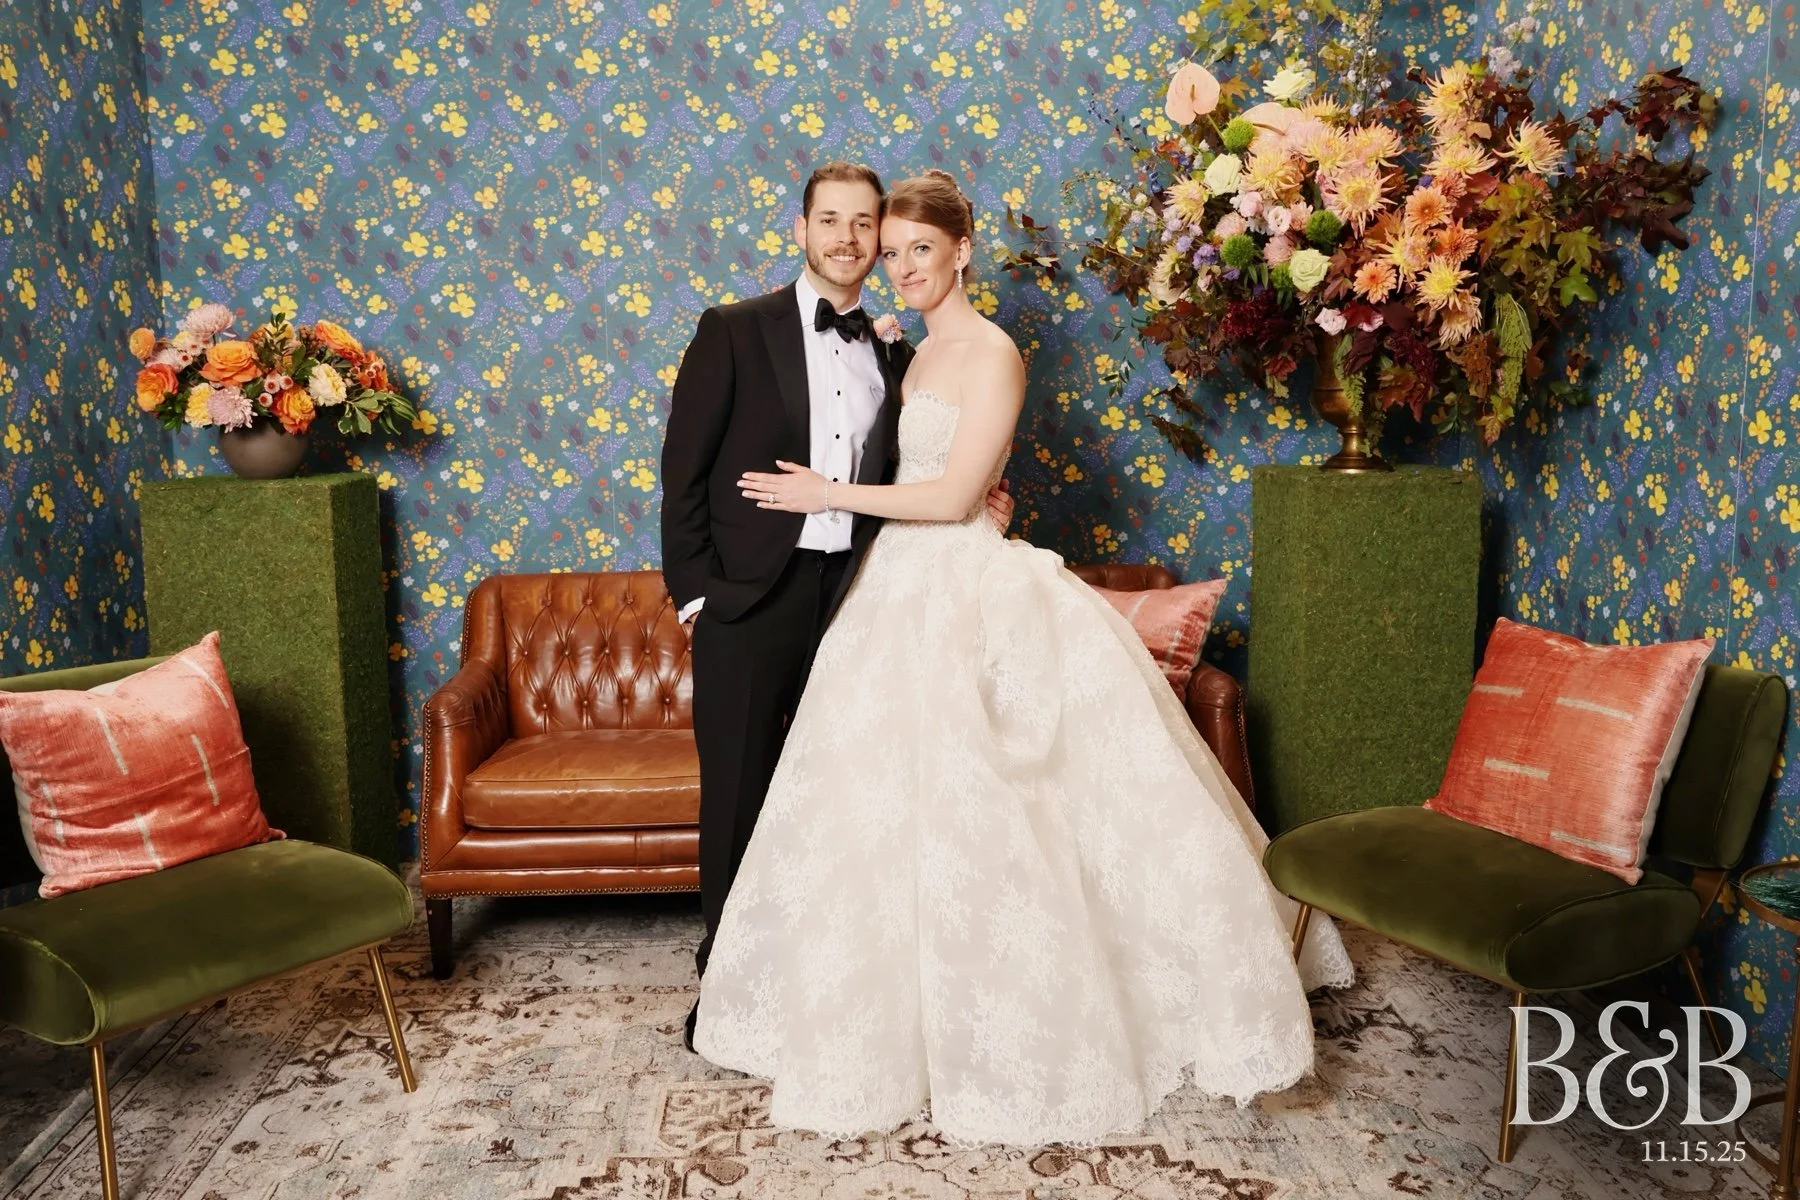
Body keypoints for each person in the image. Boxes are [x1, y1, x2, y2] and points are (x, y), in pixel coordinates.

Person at [692, 169, 1355, 1146]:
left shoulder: (993, 353)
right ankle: (891, 1016)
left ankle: (1036, 1013)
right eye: (894, 254)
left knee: (1015, 809)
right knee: (874, 815)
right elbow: (910, 468)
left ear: (963, 250)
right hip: (889, 593)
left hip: (962, 583)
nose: (906, 268)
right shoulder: (907, 356)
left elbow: (956, 498)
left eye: (924, 250)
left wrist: (828, 493)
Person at [659, 162, 1011, 1052]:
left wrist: (983, 499)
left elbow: (927, 473)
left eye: (870, 229)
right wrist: (701, 597)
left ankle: (827, 986)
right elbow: (682, 475)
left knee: (836, 799)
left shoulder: (900, 353)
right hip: (748, 603)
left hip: (856, 597)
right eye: (834, 222)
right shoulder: (734, 331)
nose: (852, 242)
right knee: (738, 802)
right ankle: (727, 993)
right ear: (802, 229)